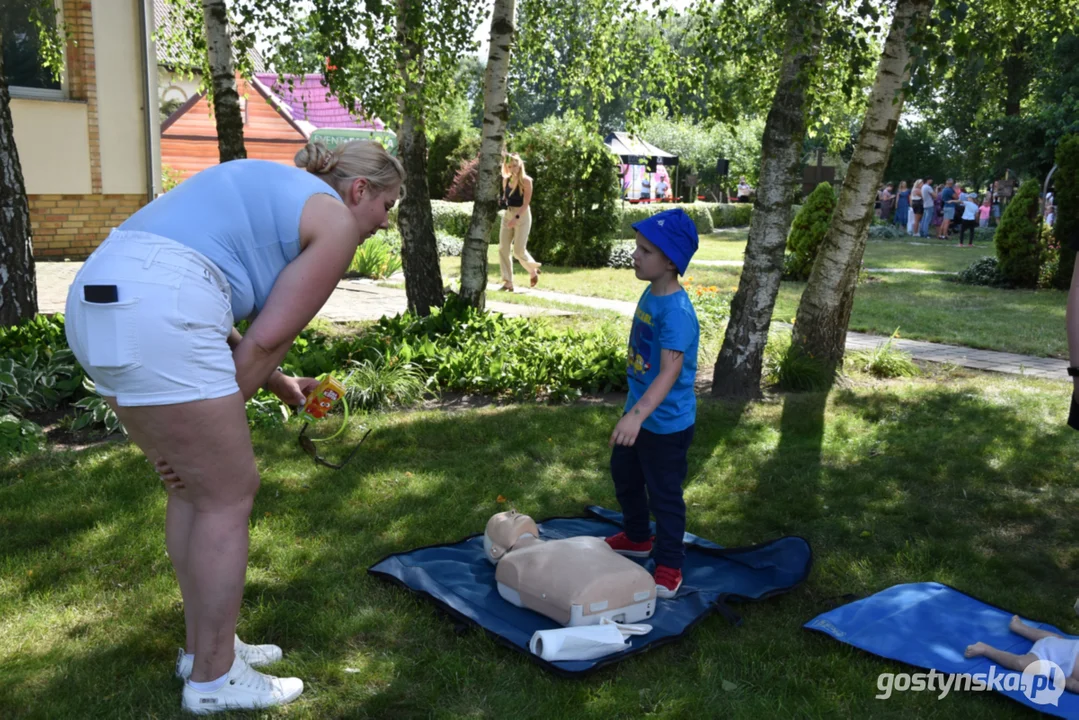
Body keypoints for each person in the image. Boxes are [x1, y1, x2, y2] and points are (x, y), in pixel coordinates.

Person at [64, 141, 404, 713]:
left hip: (97, 302)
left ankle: (205, 650)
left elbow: (197, 289)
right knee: (228, 492)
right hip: (160, 309)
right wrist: (222, 414)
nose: (384, 222)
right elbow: (267, 335)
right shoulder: (336, 221)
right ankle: (214, 682)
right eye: (388, 205)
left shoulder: (272, 186)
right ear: (359, 190)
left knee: (192, 488)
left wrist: (280, 386)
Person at [604, 208, 699, 599]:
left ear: (671, 262)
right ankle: (639, 538)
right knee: (625, 477)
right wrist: (634, 413)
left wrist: (636, 417)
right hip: (639, 413)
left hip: (666, 425)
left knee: (664, 494)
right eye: (637, 247)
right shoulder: (651, 292)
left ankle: (669, 564)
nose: (635, 255)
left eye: (645, 250)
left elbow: (668, 373)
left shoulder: (676, 312)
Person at [965, 615, 1079, 694]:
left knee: (1020, 663)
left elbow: (1071, 684)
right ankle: (1020, 627)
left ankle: (985, 649)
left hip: (1048, 659)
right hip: (1067, 645)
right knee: (1053, 638)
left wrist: (1065, 681)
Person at [498, 153, 541, 291]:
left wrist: (515, 219)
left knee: (518, 250)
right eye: (509, 166)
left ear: (520, 165)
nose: (512, 168)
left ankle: (532, 270)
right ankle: (508, 282)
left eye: (515, 165)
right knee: (503, 248)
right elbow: (505, 199)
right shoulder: (506, 180)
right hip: (508, 213)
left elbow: (526, 203)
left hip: (521, 215)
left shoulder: (526, 181)